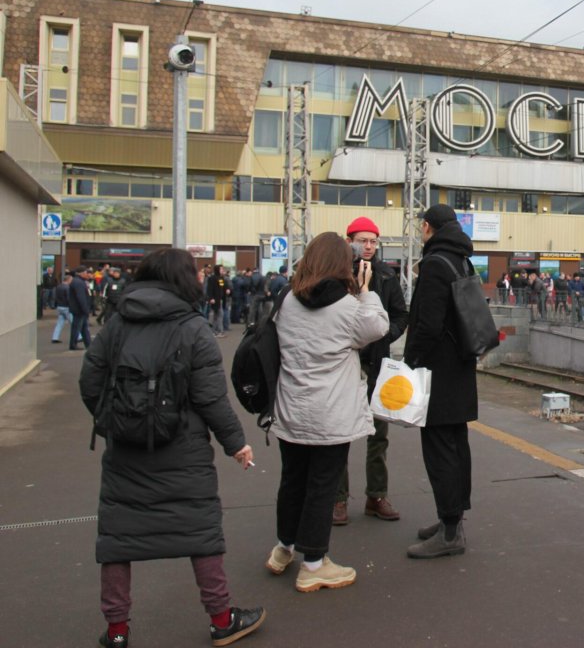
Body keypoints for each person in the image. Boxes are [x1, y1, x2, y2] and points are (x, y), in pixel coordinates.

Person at [78, 247, 263, 648]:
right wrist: (236, 444)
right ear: (182, 279)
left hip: (125, 451)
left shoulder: (116, 323)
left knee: (117, 538)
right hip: (184, 450)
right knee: (200, 532)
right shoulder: (193, 328)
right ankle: (221, 620)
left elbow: (90, 383)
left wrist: (118, 423)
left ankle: (116, 632)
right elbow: (212, 398)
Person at [268, 232, 389, 593]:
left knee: (292, 481)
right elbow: (379, 326)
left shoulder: (287, 299)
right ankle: (315, 564)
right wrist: (366, 289)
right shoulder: (349, 307)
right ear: (343, 265)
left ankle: (283, 549)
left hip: (290, 409)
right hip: (330, 415)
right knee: (322, 486)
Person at [404, 204, 479, 559]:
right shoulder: (461, 259)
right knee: (456, 446)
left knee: (439, 451)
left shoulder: (434, 264)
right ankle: (452, 520)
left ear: (427, 227)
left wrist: (410, 361)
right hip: (461, 368)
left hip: (438, 373)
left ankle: (450, 531)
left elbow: (428, 325)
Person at [333, 216, 410, 526]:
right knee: (338, 433)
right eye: (362, 240)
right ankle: (338, 499)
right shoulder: (336, 273)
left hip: (378, 363)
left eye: (373, 241)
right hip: (343, 363)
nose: (367, 246)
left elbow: (401, 315)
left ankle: (376, 495)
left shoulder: (386, 275)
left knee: (379, 434)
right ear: (348, 239)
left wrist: (383, 334)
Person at [69, 265, 93, 350]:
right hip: (79, 310)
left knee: (83, 327)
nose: (88, 274)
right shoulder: (79, 282)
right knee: (77, 328)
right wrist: (85, 309)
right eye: (86, 273)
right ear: (81, 273)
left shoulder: (78, 281)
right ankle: (73, 344)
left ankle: (88, 344)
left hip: (79, 309)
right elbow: (81, 297)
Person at [206, 266, 231, 337]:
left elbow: (223, 286)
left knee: (217, 315)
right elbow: (209, 289)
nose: (222, 270)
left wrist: (227, 290)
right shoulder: (212, 278)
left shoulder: (221, 278)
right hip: (215, 300)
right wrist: (211, 298)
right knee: (217, 315)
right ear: (217, 270)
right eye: (221, 269)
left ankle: (215, 331)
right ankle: (218, 331)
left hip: (220, 300)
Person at [51, 270, 73, 343]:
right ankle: (79, 336)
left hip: (59, 306)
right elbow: (68, 298)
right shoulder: (67, 288)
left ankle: (55, 337)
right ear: (68, 280)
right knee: (73, 322)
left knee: (59, 323)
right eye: (71, 280)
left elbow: (55, 296)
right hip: (66, 307)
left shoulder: (58, 286)